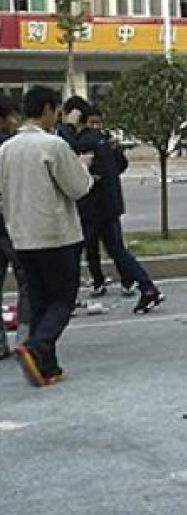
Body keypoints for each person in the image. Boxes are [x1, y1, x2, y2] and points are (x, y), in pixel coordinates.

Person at [0, 86, 93, 386]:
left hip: (21, 235)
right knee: (63, 299)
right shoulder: (53, 146)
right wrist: (84, 168)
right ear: (49, 110)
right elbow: (78, 187)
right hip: (56, 235)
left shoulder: (6, 149)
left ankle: (47, 366)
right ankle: (37, 347)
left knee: (40, 300)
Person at [62, 97, 165, 313]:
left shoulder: (83, 140)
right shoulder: (102, 139)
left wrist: (68, 126)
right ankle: (148, 288)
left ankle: (65, 300)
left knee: (73, 252)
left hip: (92, 209)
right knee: (118, 251)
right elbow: (118, 164)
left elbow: (63, 146)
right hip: (109, 206)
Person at [0, 94, 30, 358]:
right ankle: (25, 339)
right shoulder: (10, 148)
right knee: (27, 281)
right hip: (12, 224)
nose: (13, 121)